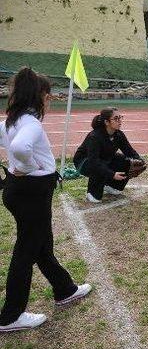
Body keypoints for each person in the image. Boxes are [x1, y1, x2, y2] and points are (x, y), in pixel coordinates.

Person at [0, 68, 91, 333]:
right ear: (39, 95)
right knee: (26, 250)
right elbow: (19, 148)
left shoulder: (13, 121)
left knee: (41, 244)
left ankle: (65, 289)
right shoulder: (30, 123)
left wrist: (23, 167)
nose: (49, 102)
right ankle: (10, 316)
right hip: (31, 192)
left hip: (22, 191)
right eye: (48, 97)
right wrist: (28, 166)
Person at [73, 107, 146, 203]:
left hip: (103, 159)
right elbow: (93, 161)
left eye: (120, 117)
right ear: (106, 122)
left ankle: (112, 186)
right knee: (101, 165)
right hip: (84, 162)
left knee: (128, 161)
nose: (120, 121)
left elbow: (129, 151)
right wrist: (112, 174)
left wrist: (140, 161)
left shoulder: (119, 134)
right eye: (116, 118)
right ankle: (92, 193)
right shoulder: (95, 137)